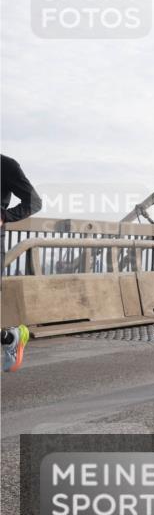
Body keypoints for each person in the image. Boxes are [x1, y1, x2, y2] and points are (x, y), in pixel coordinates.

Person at [2, 154, 41, 373]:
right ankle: (9, 338)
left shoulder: (5, 165)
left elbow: (33, 202)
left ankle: (11, 338)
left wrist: (4, 215)